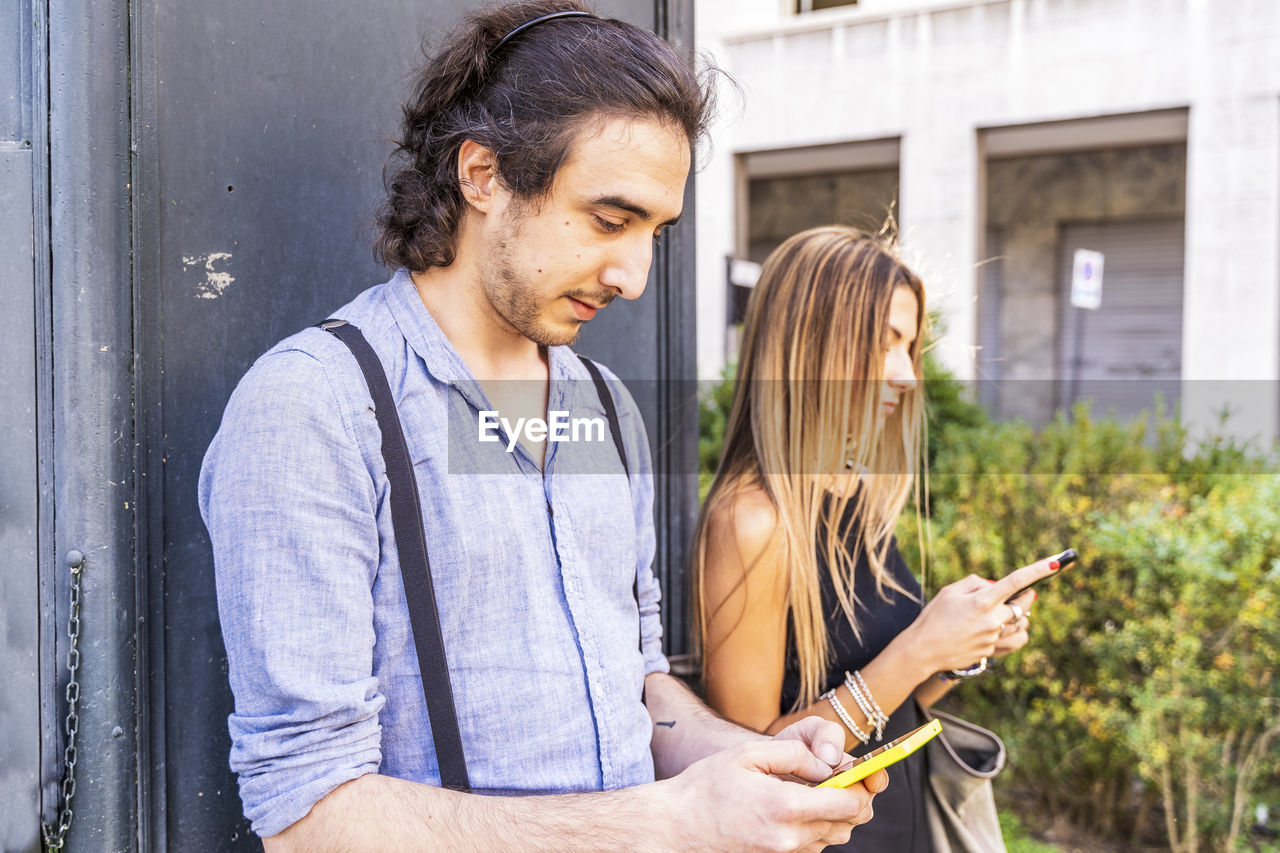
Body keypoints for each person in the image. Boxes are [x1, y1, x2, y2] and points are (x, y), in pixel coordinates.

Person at [199, 5, 887, 851]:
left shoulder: (604, 406)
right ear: (483, 174)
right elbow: (310, 817)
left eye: (653, 234)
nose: (633, 276)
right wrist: (673, 821)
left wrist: (749, 759)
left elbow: (635, 683)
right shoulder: (315, 408)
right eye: (609, 219)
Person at [691, 225, 1059, 851]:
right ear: (808, 348)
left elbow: (896, 696)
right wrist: (918, 648)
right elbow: (752, 765)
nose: (907, 375)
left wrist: (967, 646)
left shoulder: (852, 493)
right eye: (883, 343)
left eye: (909, 347)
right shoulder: (751, 522)